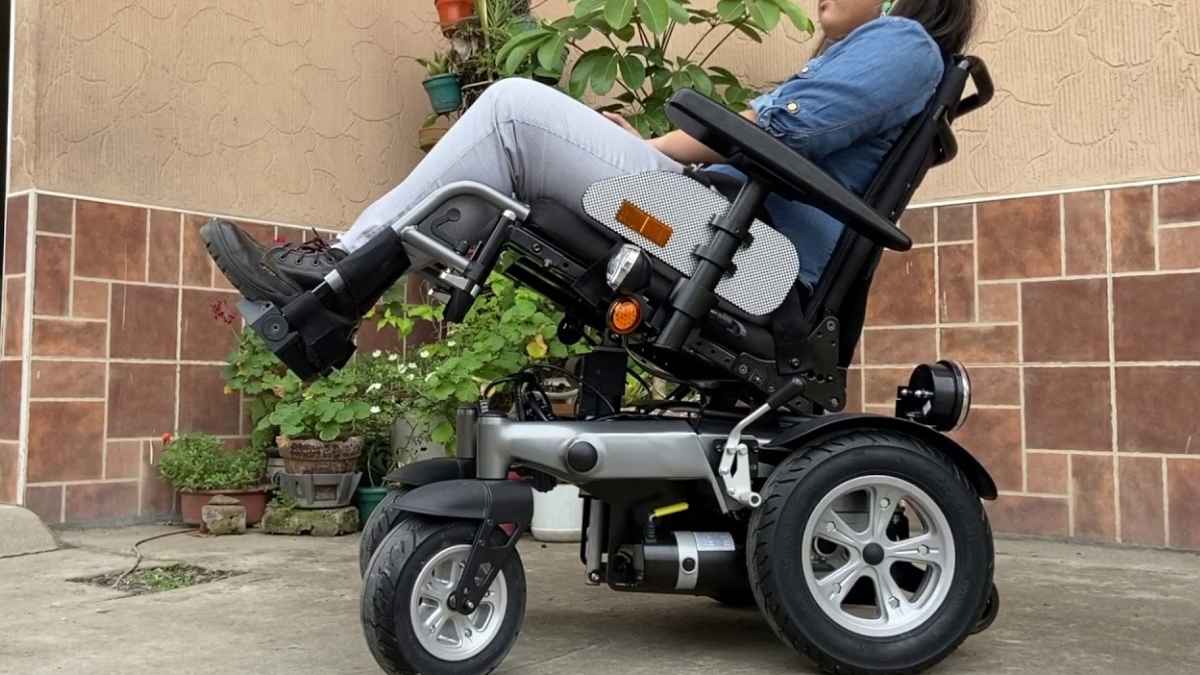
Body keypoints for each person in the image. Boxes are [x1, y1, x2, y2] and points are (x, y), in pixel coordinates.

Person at [203, 0, 977, 308]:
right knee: (502, 164)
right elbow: (759, 126)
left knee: (509, 108)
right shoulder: (885, 53)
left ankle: (335, 270)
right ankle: (335, 285)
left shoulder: (902, 44)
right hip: (717, 229)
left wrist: (659, 151)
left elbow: (783, 129)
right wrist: (641, 153)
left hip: (747, 254)